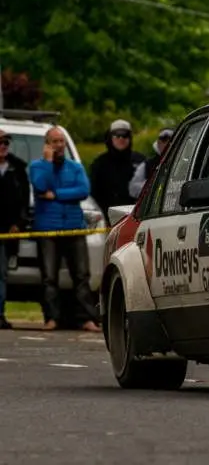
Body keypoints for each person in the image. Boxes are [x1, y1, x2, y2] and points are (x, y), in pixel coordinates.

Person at [29, 127, 101, 332]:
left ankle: (86, 319)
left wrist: (57, 194)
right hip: (47, 229)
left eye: (61, 141)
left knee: (81, 276)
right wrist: (48, 163)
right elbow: (41, 186)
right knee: (49, 278)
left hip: (73, 228)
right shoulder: (37, 167)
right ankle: (51, 318)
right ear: (47, 144)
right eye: (54, 141)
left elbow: (83, 190)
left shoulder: (75, 167)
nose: (59, 146)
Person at [0, 128, 30, 329]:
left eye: (6, 142)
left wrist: (18, 224)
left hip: (7, 231)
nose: (3, 146)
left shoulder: (18, 168)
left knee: (1, 274)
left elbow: (24, 201)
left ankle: (0, 314)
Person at [90, 119, 146, 223]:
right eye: (117, 136)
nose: (121, 139)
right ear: (110, 138)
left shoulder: (141, 161)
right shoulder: (99, 164)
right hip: (107, 219)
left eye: (125, 135)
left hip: (136, 218)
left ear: (130, 138)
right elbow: (93, 193)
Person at [128, 127, 174, 199]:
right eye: (163, 139)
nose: (166, 143)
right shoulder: (146, 165)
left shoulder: (184, 161)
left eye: (171, 139)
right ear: (158, 142)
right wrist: (153, 185)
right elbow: (133, 189)